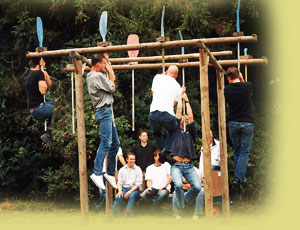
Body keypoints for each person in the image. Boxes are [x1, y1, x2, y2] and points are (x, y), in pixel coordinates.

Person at [87, 52, 120, 190]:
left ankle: (110, 173)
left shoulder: (97, 76)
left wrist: (108, 64)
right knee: (106, 143)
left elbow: (109, 81)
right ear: (98, 63)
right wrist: (109, 68)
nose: (105, 65)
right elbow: (112, 86)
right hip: (104, 111)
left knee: (115, 145)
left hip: (107, 111)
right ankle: (97, 173)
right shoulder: (95, 76)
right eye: (103, 63)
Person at [167, 90, 201, 215]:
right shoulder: (175, 130)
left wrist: (187, 100)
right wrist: (181, 96)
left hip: (189, 166)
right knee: (178, 186)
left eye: (187, 118)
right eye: (184, 118)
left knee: (197, 187)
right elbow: (178, 112)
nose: (185, 118)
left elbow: (191, 116)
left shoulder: (191, 133)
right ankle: (181, 206)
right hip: (176, 165)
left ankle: (183, 203)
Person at [224, 67, 254, 189]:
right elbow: (249, 93)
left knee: (237, 151)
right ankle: (238, 178)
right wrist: (242, 78)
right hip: (247, 122)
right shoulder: (248, 86)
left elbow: (228, 104)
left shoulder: (227, 89)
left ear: (229, 78)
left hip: (233, 123)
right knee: (244, 152)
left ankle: (239, 178)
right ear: (239, 76)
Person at [149, 65, 182, 153]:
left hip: (154, 113)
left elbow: (153, 93)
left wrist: (162, 75)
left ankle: (162, 148)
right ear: (176, 76)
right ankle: (167, 149)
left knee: (156, 132)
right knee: (174, 131)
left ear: (166, 71)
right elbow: (173, 104)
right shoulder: (178, 87)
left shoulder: (157, 77)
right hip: (168, 114)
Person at [24, 57, 53, 147]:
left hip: (34, 110)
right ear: (39, 64)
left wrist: (43, 69)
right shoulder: (38, 73)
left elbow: (49, 83)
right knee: (60, 110)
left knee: (55, 102)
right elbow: (43, 91)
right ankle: (49, 133)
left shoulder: (28, 76)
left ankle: (48, 128)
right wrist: (42, 69)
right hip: (39, 109)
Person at [112, 152, 143, 216]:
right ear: (127, 159)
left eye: (134, 159)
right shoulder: (122, 170)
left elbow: (138, 184)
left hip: (134, 189)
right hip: (124, 188)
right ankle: (113, 214)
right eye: (131, 159)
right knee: (118, 196)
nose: (133, 161)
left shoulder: (138, 169)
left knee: (132, 196)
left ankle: (127, 215)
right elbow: (119, 183)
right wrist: (120, 191)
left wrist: (129, 192)